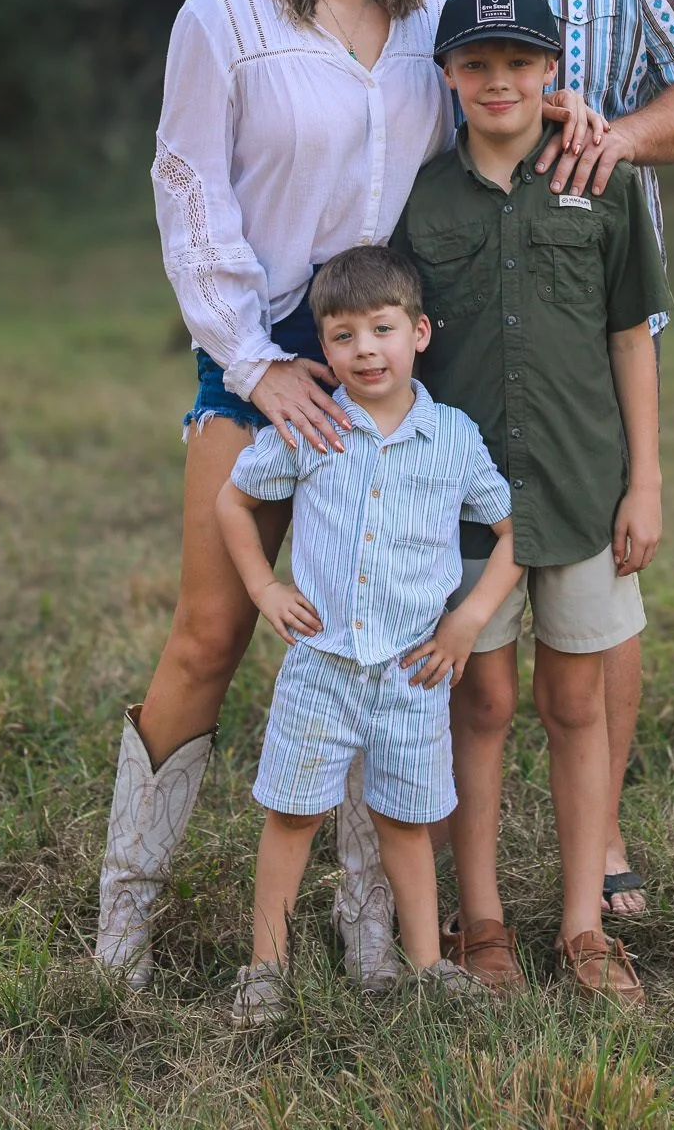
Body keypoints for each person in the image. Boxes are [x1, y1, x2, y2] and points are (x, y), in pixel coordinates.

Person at [93, 0, 598, 989]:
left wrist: (559, 109)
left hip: (387, 351)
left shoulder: (426, 16)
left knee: (384, 628)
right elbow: (187, 187)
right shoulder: (225, 15)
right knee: (212, 629)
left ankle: (370, 929)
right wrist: (256, 364)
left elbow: (488, 101)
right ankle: (122, 926)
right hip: (265, 340)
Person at [334, 0, 674, 967]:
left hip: (582, 301)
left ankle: (597, 846)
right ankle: (455, 890)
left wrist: (617, 136)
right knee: (471, 662)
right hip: (439, 317)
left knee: (588, 605)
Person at [391, 0, 672, 1006]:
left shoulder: (601, 182)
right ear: (449, 75)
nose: (499, 80)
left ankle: (584, 927)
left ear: (552, 70)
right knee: (481, 700)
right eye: (476, 63)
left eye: (518, 61)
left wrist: (645, 481)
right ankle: (483, 921)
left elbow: (630, 337)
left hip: (585, 486)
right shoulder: (423, 199)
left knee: (575, 701)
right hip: (466, 506)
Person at [215, 245, 521, 1024]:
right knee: (292, 815)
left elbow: (514, 532)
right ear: (324, 347)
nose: (365, 350)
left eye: (382, 329)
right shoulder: (312, 427)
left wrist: (466, 620)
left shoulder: (452, 437)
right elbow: (233, 501)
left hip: (414, 672)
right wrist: (264, 587)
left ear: (418, 332)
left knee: (407, 824)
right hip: (321, 665)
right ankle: (266, 969)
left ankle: (425, 966)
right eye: (343, 336)